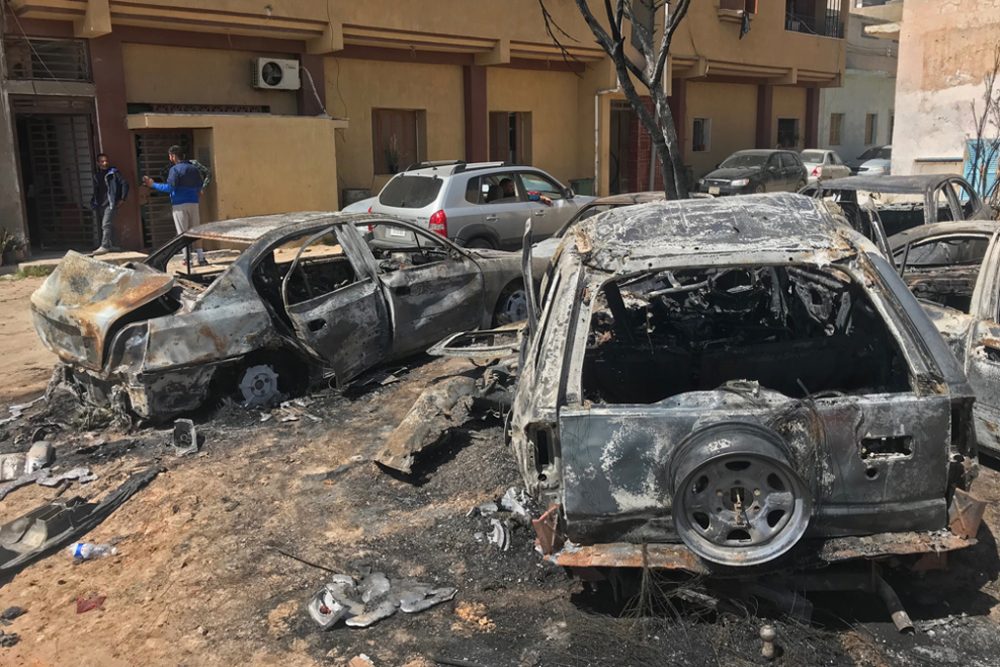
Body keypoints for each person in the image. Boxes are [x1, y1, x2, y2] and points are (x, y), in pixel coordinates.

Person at [142, 145, 207, 266]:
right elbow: (200, 189)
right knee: (196, 232)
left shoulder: (175, 170)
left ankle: (187, 259)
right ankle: (201, 257)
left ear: (172, 156)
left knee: (183, 233)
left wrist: (153, 184)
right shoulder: (193, 169)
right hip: (194, 204)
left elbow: (170, 188)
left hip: (179, 205)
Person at [90, 153, 129, 255]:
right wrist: (94, 202)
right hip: (101, 204)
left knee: (105, 224)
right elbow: (97, 191)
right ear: (98, 163)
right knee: (107, 224)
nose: (105, 163)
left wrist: (122, 199)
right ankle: (110, 244)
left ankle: (105, 246)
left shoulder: (113, 173)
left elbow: (124, 183)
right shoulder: (97, 176)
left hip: (110, 203)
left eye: (106, 160)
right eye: (102, 161)